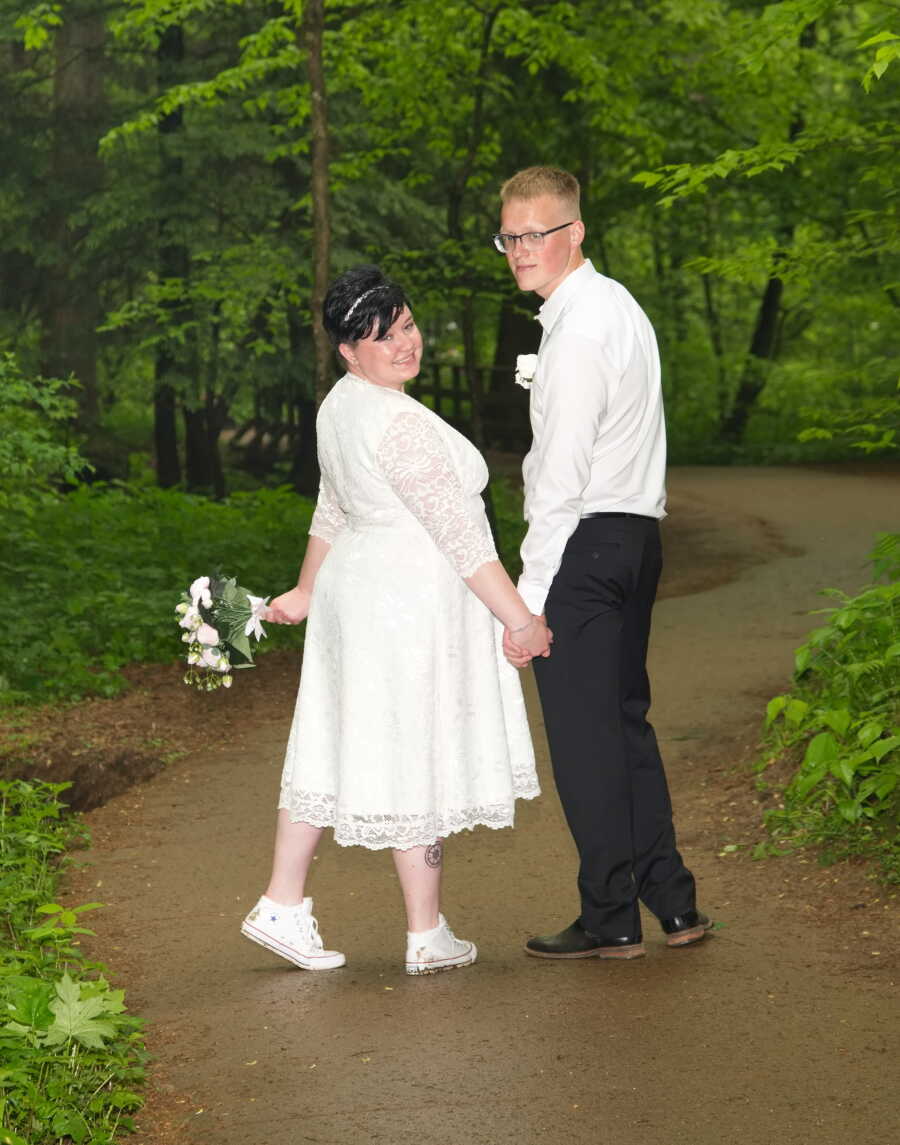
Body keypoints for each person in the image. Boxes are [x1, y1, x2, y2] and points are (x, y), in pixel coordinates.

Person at [240, 265, 550, 976]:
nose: (403, 344)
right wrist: (521, 621)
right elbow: (462, 539)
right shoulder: (398, 423)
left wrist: (308, 588)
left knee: (335, 736)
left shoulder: (340, 406)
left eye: (406, 325)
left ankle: (294, 903)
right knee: (414, 745)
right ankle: (422, 931)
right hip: (403, 605)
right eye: (382, 337)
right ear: (349, 350)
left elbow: (333, 506)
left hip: (359, 591)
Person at [495, 166, 710, 959]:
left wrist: (528, 597)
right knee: (623, 726)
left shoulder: (580, 329)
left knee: (587, 740)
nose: (521, 250)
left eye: (536, 233)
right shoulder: (614, 306)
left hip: (587, 545)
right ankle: (674, 902)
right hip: (636, 539)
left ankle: (611, 914)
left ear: (574, 232)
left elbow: (559, 475)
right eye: (510, 236)